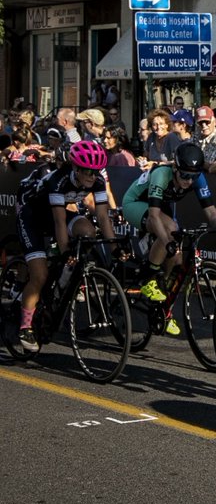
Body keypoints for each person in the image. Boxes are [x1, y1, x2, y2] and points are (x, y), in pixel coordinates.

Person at [15, 139, 123, 352]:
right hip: (32, 215)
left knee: (88, 231)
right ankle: (25, 327)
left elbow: (102, 217)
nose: (92, 176)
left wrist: (115, 249)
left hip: (56, 212)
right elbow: (59, 222)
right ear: (75, 168)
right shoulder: (58, 180)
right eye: (88, 171)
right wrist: (65, 252)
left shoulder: (97, 181)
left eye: (96, 171)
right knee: (39, 275)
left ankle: (65, 278)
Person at [121, 142, 216, 329]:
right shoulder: (161, 174)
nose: (189, 181)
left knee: (177, 258)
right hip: (135, 203)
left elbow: (211, 211)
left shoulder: (196, 177)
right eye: (185, 175)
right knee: (170, 231)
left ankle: (162, 306)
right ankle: (148, 280)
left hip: (159, 206)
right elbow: (154, 216)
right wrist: (167, 242)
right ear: (175, 168)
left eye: (193, 176)